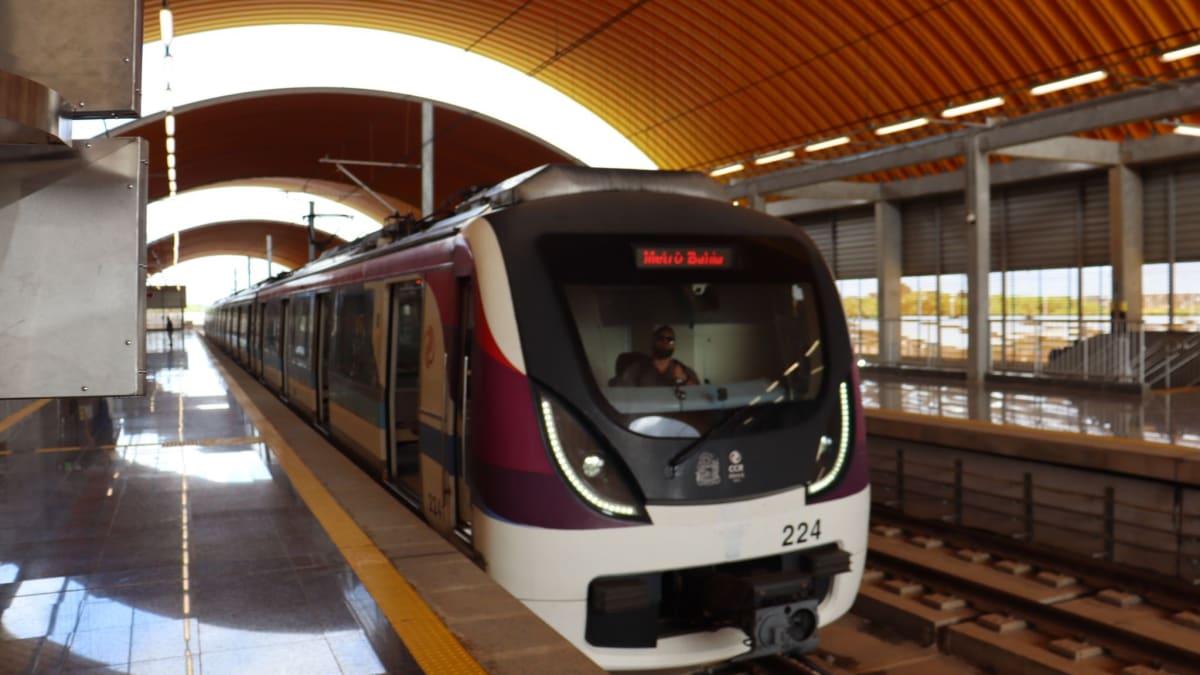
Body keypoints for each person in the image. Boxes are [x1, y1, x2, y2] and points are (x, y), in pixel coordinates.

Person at [617, 325, 700, 387]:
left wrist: (684, 378)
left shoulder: (683, 369)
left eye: (670, 340)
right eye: (661, 338)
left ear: (674, 345)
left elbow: (698, 393)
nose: (665, 342)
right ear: (653, 341)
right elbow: (621, 391)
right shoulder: (637, 369)